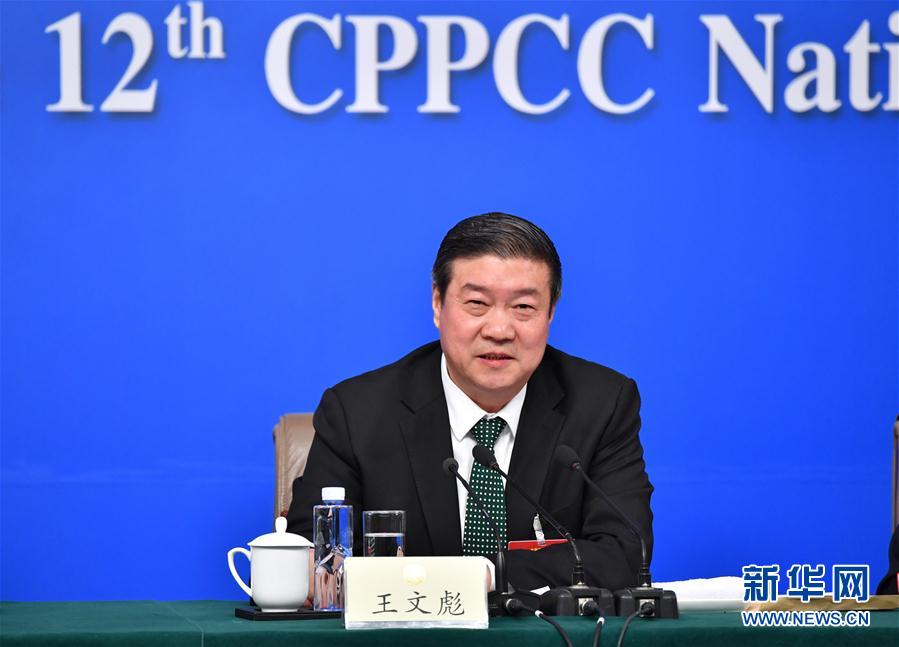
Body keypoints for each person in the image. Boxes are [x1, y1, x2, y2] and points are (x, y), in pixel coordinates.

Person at [287, 212, 653, 592]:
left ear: (550, 313)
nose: (499, 330)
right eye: (477, 303)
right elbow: (312, 558)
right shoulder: (357, 412)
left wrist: (489, 575)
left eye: (523, 307)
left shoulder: (601, 405)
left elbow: (625, 555)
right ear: (437, 304)